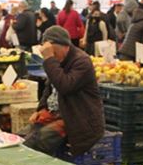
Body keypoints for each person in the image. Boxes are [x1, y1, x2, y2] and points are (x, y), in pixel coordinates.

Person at [24, 26, 103, 157]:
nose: (52, 56)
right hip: (59, 113)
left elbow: (65, 86)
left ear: (65, 46)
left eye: (54, 52)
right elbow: (49, 88)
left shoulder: (81, 61)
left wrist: (49, 59)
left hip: (78, 118)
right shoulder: (58, 61)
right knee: (25, 136)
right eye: (50, 53)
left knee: (38, 141)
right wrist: (40, 109)